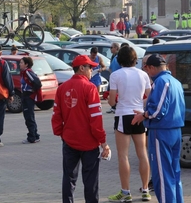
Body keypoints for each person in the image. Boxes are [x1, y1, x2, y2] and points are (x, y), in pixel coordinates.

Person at [51, 55, 110, 203]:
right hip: (89, 143)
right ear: (82, 68)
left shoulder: (62, 88)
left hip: (69, 140)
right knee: (90, 181)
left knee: (69, 178)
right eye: (90, 67)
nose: (92, 70)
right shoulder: (90, 88)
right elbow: (96, 119)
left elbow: (56, 115)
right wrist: (103, 142)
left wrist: (61, 133)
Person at [132, 54, 185, 203]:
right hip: (175, 129)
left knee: (162, 176)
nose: (146, 72)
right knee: (174, 174)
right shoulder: (175, 82)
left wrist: (144, 115)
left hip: (161, 132)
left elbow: (158, 110)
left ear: (153, 67)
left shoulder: (161, 82)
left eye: (147, 68)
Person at [107, 46, 152, 202]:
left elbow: (112, 101)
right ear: (135, 59)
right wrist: (140, 103)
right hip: (139, 115)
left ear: (119, 59)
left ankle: (126, 193)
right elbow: (150, 97)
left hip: (123, 116)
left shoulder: (116, 75)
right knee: (142, 154)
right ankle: (146, 190)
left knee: (123, 156)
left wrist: (113, 101)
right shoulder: (143, 74)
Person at [20, 57, 42, 144]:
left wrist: (33, 89)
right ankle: (35, 135)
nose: (19, 64)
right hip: (25, 96)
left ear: (26, 64)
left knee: (29, 117)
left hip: (28, 97)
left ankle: (31, 137)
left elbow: (37, 82)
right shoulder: (24, 73)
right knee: (29, 116)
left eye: (21, 62)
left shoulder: (28, 72)